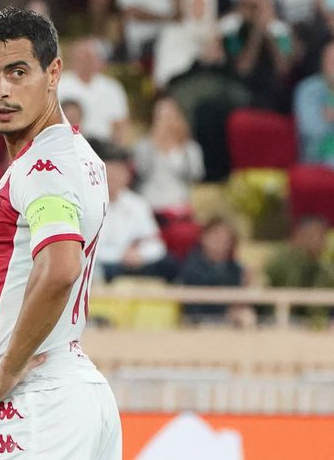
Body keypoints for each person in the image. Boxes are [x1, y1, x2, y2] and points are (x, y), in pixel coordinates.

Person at [0, 7, 120, 459]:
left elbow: (60, 268)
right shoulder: (79, 155)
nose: (0, 90)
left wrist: (9, 369)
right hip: (73, 391)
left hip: (36, 401)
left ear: (53, 73)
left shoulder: (42, 168)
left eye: (17, 72)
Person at [97, 145, 177, 282]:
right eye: (108, 172)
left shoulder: (138, 204)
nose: (112, 177)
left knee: (169, 264)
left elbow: (156, 245)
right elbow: (88, 249)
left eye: (118, 172)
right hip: (105, 265)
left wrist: (139, 254)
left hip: (135, 264)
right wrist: (120, 255)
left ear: (127, 175)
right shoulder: (89, 204)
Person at [134, 97, 205, 215]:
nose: (165, 123)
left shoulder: (190, 148)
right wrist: (154, 144)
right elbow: (141, 172)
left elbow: (197, 175)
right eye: (160, 118)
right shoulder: (143, 146)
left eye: (169, 117)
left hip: (179, 205)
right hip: (150, 204)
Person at [177, 217, 250, 325]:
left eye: (227, 238)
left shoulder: (236, 269)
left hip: (230, 323)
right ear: (203, 237)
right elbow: (195, 307)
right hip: (199, 323)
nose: (221, 242)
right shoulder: (191, 267)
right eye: (217, 236)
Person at [57, 38, 129, 144]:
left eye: (88, 58)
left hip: (103, 145)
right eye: (80, 58)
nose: (84, 62)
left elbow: (119, 124)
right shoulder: (60, 84)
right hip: (68, 142)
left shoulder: (112, 88)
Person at [293, 41, 334, 167]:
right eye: (331, 62)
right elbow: (311, 129)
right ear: (322, 64)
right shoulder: (308, 89)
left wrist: (328, 115)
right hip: (319, 158)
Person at [265, 215, 334, 288]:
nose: (317, 240)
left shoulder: (324, 268)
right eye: (312, 235)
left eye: (321, 235)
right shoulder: (283, 261)